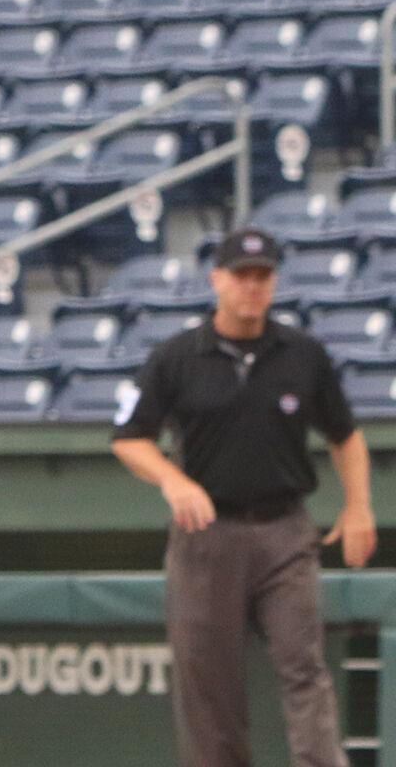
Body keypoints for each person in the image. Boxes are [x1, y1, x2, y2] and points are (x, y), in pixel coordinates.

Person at [110, 227, 376, 767]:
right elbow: (129, 438)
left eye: (264, 276)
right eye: (242, 275)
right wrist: (174, 479)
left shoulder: (303, 354)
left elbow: (345, 436)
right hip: (207, 537)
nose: (253, 286)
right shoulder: (178, 355)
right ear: (218, 280)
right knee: (210, 688)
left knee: (305, 668)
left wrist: (359, 506)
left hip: (285, 531)